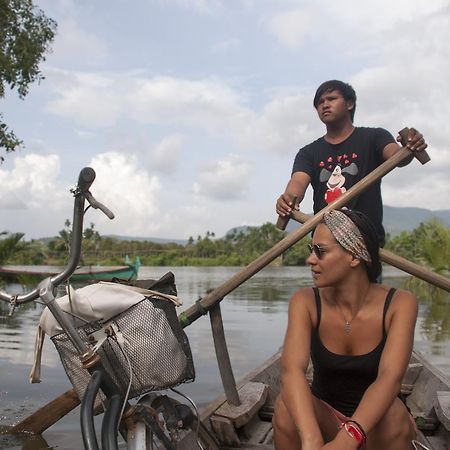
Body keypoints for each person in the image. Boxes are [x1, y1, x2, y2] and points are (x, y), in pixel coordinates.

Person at [272, 208, 418, 450]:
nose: (311, 259)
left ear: (354, 257)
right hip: (325, 420)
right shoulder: (305, 302)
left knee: (394, 414)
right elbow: (292, 372)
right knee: (286, 408)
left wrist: (348, 437)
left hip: (375, 427)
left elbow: (389, 379)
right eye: (311, 250)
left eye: (321, 251)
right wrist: (311, 439)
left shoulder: (400, 304)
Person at [275, 80, 428, 246]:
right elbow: (297, 182)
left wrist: (409, 147)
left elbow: (397, 157)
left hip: (364, 242)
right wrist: (287, 200)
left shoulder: (374, 137)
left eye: (331, 99)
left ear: (349, 103)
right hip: (326, 244)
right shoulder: (308, 153)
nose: (324, 105)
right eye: (319, 102)